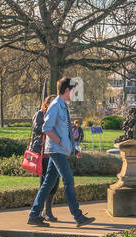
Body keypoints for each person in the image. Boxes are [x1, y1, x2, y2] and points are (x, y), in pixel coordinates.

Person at [27, 78, 94, 227]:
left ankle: (34, 215)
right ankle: (78, 216)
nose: (73, 93)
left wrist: (72, 148)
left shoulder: (62, 106)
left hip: (60, 150)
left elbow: (64, 131)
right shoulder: (56, 105)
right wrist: (60, 143)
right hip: (56, 150)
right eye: (72, 90)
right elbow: (46, 128)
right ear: (66, 90)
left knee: (48, 184)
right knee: (68, 181)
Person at [29, 96, 59, 223]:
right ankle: (41, 212)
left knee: (55, 183)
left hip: (55, 153)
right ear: (45, 104)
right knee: (45, 183)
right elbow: (36, 129)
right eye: (50, 102)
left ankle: (47, 210)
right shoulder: (40, 114)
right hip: (43, 154)